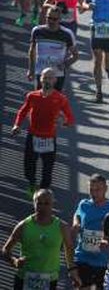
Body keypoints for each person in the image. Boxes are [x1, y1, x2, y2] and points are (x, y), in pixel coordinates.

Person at [11, 67, 74, 197]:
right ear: (40, 79)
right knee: (29, 167)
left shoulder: (60, 98)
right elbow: (22, 111)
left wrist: (64, 122)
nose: (47, 80)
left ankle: (42, 195)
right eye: (45, 77)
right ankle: (32, 183)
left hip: (49, 139)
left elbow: (71, 119)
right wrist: (17, 125)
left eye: (50, 78)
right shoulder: (32, 96)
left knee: (47, 170)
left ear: (55, 80)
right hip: (33, 136)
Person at [2, 188, 78, 289]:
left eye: (46, 203)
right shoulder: (23, 225)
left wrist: (72, 270)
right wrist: (14, 261)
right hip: (24, 278)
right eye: (39, 203)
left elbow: (68, 249)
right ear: (34, 204)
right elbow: (6, 250)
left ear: (52, 204)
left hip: (49, 280)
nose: (43, 207)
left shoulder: (62, 227)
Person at [28, 5, 78, 91]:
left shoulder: (67, 34)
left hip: (57, 75)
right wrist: (31, 70)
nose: (51, 21)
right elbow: (32, 51)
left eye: (54, 19)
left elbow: (75, 55)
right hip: (41, 73)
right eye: (49, 18)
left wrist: (65, 64)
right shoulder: (37, 31)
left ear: (60, 20)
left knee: (55, 101)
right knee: (41, 98)